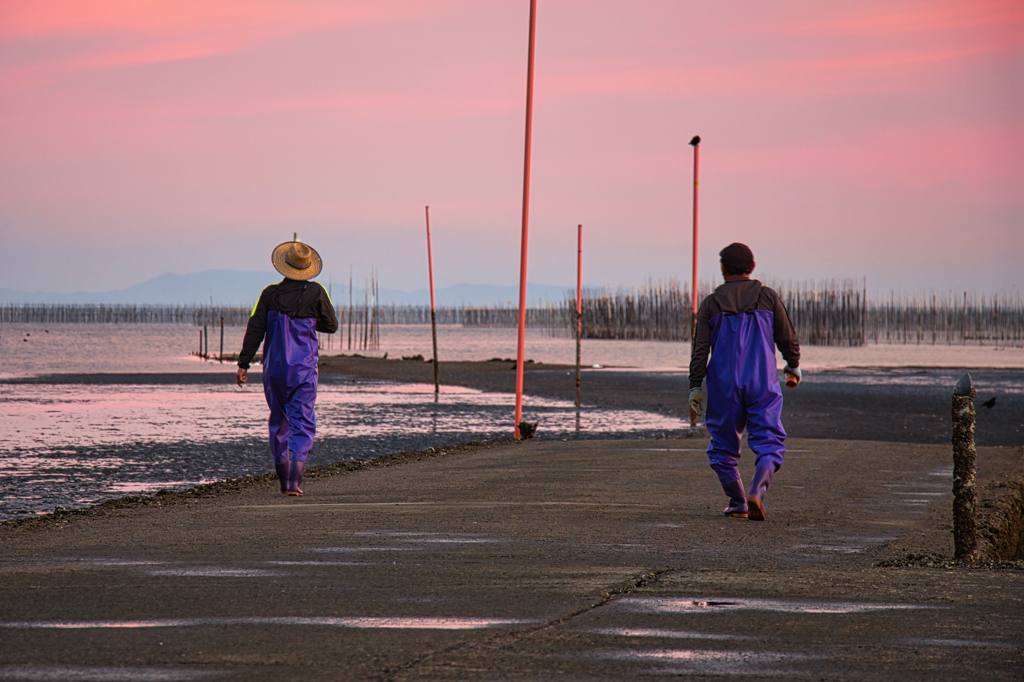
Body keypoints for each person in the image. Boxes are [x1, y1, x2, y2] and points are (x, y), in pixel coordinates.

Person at [688, 243, 801, 521]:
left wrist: (695, 385)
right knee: (769, 441)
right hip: (762, 380)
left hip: (723, 384)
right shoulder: (767, 297)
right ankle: (757, 492)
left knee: (722, 447)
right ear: (751, 267)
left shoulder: (711, 304)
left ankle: (737, 501)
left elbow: (700, 349)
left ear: (723, 269)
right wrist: (793, 365)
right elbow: (786, 336)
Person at [236, 240, 338, 496]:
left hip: (274, 369)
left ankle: (283, 482)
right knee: (302, 420)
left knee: (278, 421)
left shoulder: (269, 294)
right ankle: (294, 482)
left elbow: (255, 329)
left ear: (284, 266)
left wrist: (243, 363)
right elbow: (331, 325)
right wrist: (310, 322)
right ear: (307, 269)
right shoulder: (316, 292)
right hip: (303, 368)